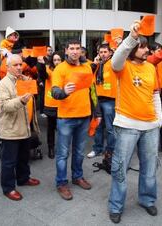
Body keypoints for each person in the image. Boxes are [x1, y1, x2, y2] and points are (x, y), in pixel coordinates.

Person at [108, 21, 162, 224]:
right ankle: (116, 206)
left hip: (150, 127)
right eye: (141, 46)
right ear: (133, 48)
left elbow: (155, 93)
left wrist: (159, 119)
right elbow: (116, 60)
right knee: (120, 168)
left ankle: (147, 200)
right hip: (127, 125)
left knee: (150, 168)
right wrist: (131, 37)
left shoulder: (150, 67)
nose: (146, 50)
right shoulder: (122, 66)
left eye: (146, 46)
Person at [51, 39, 94, 200]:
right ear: (66, 51)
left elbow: (92, 91)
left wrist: (96, 113)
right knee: (62, 153)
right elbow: (55, 92)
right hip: (66, 118)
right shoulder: (60, 68)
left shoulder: (87, 66)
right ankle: (61, 183)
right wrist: (63, 92)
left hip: (84, 116)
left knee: (79, 151)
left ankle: (77, 177)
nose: (75, 51)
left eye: (77, 48)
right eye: (72, 49)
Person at [0, 54, 40, 201]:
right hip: (10, 130)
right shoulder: (3, 84)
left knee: (23, 157)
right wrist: (21, 100)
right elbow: (4, 106)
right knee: (9, 162)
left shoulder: (23, 80)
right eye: (16, 65)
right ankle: (8, 188)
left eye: (21, 64)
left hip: (24, 127)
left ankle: (23, 178)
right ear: (8, 67)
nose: (20, 67)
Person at [87, 44, 115, 159]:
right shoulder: (97, 65)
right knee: (98, 127)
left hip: (110, 100)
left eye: (105, 52)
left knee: (110, 128)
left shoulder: (113, 63)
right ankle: (97, 149)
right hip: (97, 100)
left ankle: (110, 150)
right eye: (100, 52)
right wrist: (94, 64)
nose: (102, 54)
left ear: (110, 53)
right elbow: (89, 79)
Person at [37, 51, 64, 159]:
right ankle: (51, 148)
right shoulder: (48, 69)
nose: (57, 62)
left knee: (63, 129)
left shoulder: (65, 70)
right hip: (51, 104)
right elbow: (43, 74)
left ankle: (62, 148)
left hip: (63, 104)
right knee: (51, 128)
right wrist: (41, 64)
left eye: (59, 60)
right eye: (55, 60)